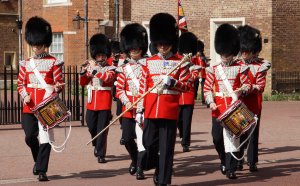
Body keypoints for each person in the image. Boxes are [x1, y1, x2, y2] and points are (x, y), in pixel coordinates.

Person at [136, 13, 190, 185]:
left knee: (166, 149)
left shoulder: (181, 62)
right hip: (151, 109)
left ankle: (164, 180)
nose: (162, 46)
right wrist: (139, 110)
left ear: (171, 42)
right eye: (159, 43)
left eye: (165, 43)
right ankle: (157, 166)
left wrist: (173, 82)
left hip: (168, 111)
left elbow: (187, 86)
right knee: (148, 143)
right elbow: (143, 87)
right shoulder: (148, 62)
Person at [17, 16, 64, 181]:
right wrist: (25, 95)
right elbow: (20, 84)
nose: (37, 47)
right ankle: (38, 161)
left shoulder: (54, 62)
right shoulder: (26, 63)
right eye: (35, 44)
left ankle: (42, 170)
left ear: (45, 43)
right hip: (29, 106)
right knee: (30, 136)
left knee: (45, 139)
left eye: (40, 44)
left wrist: (57, 87)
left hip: (46, 104)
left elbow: (59, 82)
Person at [203, 23, 251, 179]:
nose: (225, 55)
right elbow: (207, 88)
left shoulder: (240, 67)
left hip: (234, 108)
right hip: (217, 108)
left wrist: (242, 89)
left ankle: (230, 168)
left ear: (232, 52)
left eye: (228, 53)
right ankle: (223, 160)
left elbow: (247, 85)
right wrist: (210, 101)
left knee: (232, 139)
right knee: (217, 138)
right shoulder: (213, 69)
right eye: (223, 52)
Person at [116, 23, 148, 180]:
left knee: (142, 140)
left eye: (137, 48)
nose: (134, 51)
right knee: (128, 139)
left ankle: (141, 168)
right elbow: (120, 90)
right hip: (128, 109)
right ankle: (135, 160)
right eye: (132, 49)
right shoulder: (124, 68)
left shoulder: (148, 66)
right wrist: (126, 102)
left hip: (143, 108)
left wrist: (141, 105)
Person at [237, 25, 271, 172]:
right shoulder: (236, 64)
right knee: (238, 132)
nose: (244, 54)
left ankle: (252, 161)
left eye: (247, 51)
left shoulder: (260, 65)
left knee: (252, 133)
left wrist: (249, 88)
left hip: (253, 103)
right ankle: (238, 159)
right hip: (238, 104)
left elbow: (261, 86)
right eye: (243, 51)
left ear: (253, 51)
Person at [79, 33, 116, 163]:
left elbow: (108, 78)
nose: (100, 57)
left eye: (102, 55)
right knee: (91, 126)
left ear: (106, 55)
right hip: (91, 103)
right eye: (98, 55)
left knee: (102, 129)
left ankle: (101, 154)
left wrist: (94, 70)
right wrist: (83, 72)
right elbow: (83, 83)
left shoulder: (111, 68)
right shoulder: (91, 67)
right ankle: (96, 143)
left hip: (104, 103)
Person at [176, 31, 201, 152]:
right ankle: (182, 134)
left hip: (188, 94)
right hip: (177, 95)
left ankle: (185, 142)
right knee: (178, 121)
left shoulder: (194, 61)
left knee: (186, 121)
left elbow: (194, 76)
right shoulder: (177, 60)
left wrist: (191, 72)